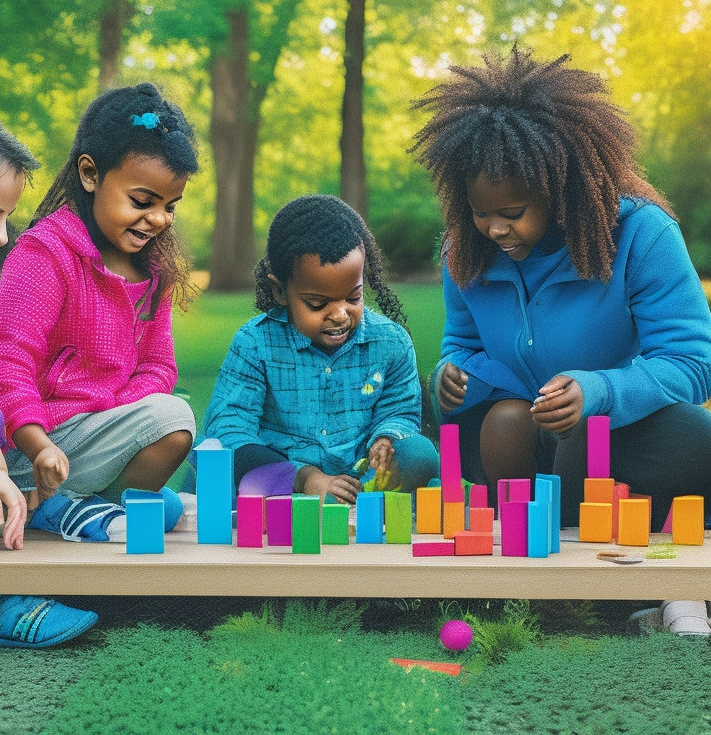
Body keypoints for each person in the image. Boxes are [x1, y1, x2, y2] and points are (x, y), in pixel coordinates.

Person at [411, 47, 711, 635]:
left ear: (562, 188)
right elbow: (462, 343)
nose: (495, 230)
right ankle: (522, 559)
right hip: (511, 442)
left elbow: (692, 363)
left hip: (618, 436)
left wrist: (597, 391)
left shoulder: (641, 234)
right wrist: (450, 374)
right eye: (479, 213)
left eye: (514, 212)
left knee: (694, 437)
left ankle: (627, 566)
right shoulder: (464, 251)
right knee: (501, 419)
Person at [0, 83, 198, 543]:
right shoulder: (45, 253)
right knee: (166, 481)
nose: (158, 219)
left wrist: (116, 407)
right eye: (142, 201)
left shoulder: (154, 270)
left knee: (173, 420)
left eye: (169, 206)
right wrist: (38, 443)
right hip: (32, 443)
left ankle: (86, 506)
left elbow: (158, 366)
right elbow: (3, 362)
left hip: (99, 431)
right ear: (91, 174)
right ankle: (67, 504)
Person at [0, 95, 98, 647]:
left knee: (0, 485)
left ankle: (52, 511)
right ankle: (0, 599)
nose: (2, 237)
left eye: (4, 219)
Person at [203, 194, 439, 505]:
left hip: (358, 474)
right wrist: (304, 477)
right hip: (285, 475)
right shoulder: (255, 343)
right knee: (221, 456)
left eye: (353, 298)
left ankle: (359, 501)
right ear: (280, 291)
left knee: (420, 454)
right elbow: (229, 426)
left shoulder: (391, 342)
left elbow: (399, 410)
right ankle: (306, 496)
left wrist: (386, 437)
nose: (340, 314)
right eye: (317, 303)